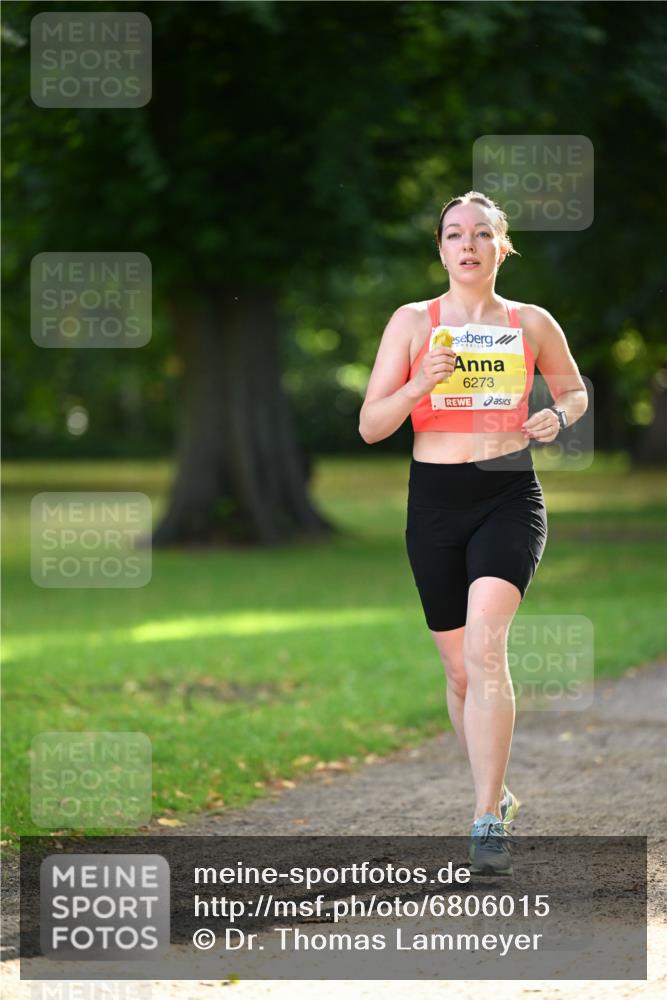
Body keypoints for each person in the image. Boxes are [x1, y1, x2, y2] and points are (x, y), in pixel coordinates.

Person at [359, 190, 588, 874]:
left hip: (506, 494)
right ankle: (498, 793)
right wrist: (416, 385)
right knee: (459, 670)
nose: (467, 244)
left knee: (486, 649)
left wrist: (558, 418)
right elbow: (371, 426)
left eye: (481, 234)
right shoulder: (411, 322)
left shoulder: (530, 322)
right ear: (440, 249)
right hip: (432, 502)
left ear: (500, 247)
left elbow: (573, 390)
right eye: (454, 234)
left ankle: (485, 817)